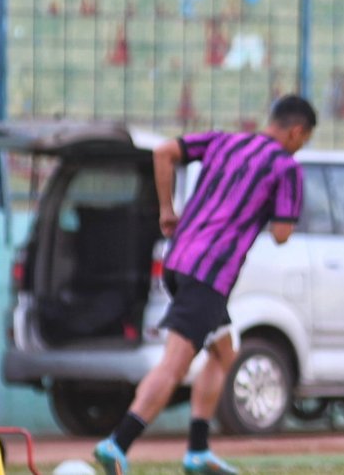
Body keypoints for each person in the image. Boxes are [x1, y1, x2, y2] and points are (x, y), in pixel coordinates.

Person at [94, 95, 317, 475]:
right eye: (304, 139)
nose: (300, 146)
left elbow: (164, 152)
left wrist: (168, 210)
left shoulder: (224, 141)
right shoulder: (285, 168)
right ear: (297, 131)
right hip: (209, 274)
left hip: (177, 261)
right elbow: (282, 233)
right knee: (174, 364)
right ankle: (117, 442)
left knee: (224, 353)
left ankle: (198, 451)